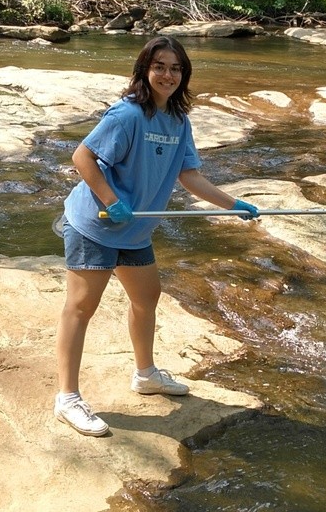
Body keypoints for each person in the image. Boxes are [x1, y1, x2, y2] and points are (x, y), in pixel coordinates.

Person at [54, 35, 260, 437]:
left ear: (184, 75)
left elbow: (189, 175)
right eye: (160, 67)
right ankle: (67, 398)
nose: (168, 75)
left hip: (135, 231)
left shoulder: (179, 121)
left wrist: (232, 204)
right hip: (95, 224)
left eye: (176, 68)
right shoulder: (128, 114)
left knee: (147, 298)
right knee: (80, 307)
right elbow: (82, 156)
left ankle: (145, 374)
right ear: (145, 70)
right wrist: (112, 200)